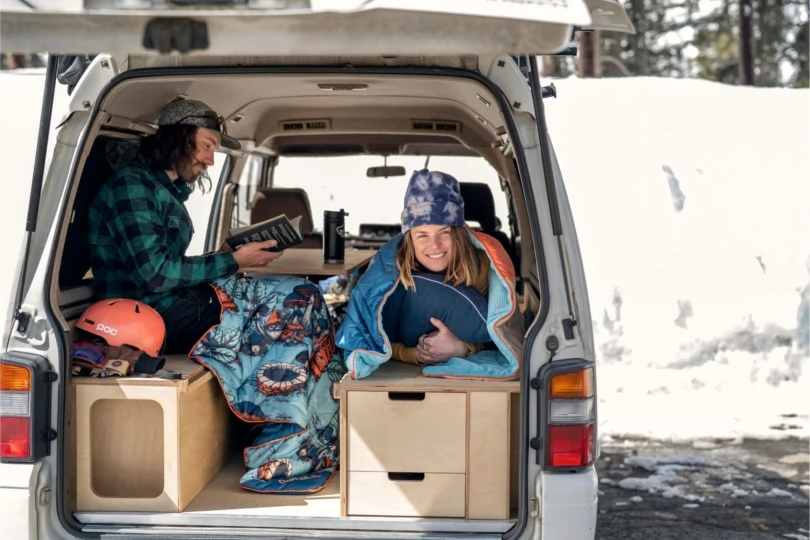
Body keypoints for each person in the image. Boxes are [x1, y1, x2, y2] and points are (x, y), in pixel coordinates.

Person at [87, 98, 344, 495]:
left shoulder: (158, 188)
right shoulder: (131, 186)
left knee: (302, 295)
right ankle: (281, 437)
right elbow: (155, 274)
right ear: (178, 137)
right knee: (297, 299)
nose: (209, 159)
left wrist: (225, 256)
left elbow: (164, 265)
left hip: (168, 300)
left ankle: (300, 426)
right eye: (207, 146)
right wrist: (232, 260)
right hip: (146, 314)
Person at [335, 169, 525, 381]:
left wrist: (462, 348)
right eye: (422, 235)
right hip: (400, 372)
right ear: (410, 239)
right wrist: (415, 354)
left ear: (458, 234)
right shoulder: (391, 272)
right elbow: (372, 337)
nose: (434, 245)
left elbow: (502, 334)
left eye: (444, 232)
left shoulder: (482, 266)